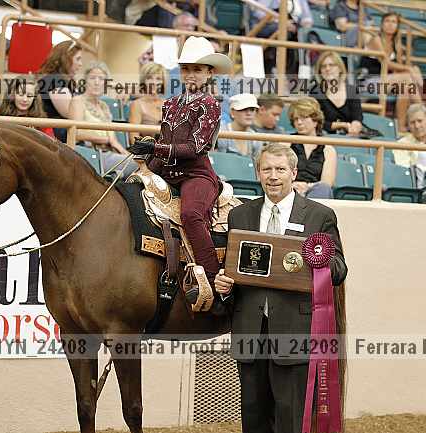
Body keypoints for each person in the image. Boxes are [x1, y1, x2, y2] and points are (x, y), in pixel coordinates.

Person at [215, 142, 348, 433]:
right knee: (253, 417)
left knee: (290, 418)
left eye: (280, 169)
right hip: (250, 331)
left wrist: (316, 260)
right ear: (257, 173)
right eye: (266, 169)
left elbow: (339, 270)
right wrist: (224, 286)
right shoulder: (240, 215)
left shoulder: (319, 215)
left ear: (293, 173)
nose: (273, 176)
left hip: (295, 330)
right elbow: (234, 270)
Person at [127, 36, 232, 305]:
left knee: (191, 214)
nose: (191, 74)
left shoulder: (210, 104)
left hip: (196, 174)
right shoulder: (170, 104)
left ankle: (213, 284)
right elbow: (164, 142)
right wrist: (145, 168)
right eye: (186, 69)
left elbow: (196, 147)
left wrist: (155, 148)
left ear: (209, 73)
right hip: (166, 171)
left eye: (197, 69)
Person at [68, 61, 137, 179]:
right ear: (85, 81)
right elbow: (75, 133)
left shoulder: (104, 106)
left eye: (101, 79)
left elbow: (113, 139)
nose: (96, 82)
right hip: (90, 153)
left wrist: (127, 154)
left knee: (143, 163)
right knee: (140, 166)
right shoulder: (77, 101)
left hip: (109, 152)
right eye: (92, 78)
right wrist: (105, 139)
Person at [359, 12, 423, 131]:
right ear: (382, 24)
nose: (390, 24)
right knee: (407, 77)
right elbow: (387, 63)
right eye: (387, 21)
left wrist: (412, 69)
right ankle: (423, 114)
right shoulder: (376, 40)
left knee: (405, 88)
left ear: (397, 26)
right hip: (369, 81)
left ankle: (400, 127)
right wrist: (410, 69)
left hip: (386, 81)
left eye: (394, 22)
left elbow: (397, 69)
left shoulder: (396, 44)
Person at [288, 97, 336, 198]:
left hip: (315, 191)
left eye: (303, 118)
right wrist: (292, 185)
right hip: (290, 189)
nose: (299, 122)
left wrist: (307, 186)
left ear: (315, 121)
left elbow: (327, 182)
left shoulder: (328, 149)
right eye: (296, 119)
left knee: (323, 188)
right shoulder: (285, 143)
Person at [38, 41, 83, 142]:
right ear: (65, 59)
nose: (81, 64)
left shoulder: (64, 81)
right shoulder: (54, 80)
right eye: (78, 59)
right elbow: (73, 116)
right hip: (56, 138)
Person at [312, 52, 363, 137]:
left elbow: (357, 117)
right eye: (323, 66)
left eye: (331, 65)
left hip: (351, 135)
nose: (327, 69)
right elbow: (315, 121)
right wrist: (342, 125)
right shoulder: (315, 92)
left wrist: (355, 126)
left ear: (340, 68)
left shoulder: (352, 90)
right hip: (325, 136)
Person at [128, 62, 166, 143]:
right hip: (148, 149)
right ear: (143, 81)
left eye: (158, 79)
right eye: (149, 78)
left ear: (163, 82)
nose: (154, 82)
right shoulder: (137, 105)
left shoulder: (168, 104)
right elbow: (133, 139)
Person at [216, 93, 262, 159]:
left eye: (252, 109)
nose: (249, 113)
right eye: (243, 109)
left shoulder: (256, 139)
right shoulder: (220, 133)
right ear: (232, 112)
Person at [395, 103, 426, 168]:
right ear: (408, 125)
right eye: (412, 122)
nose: (417, 126)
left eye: (420, 121)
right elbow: (403, 169)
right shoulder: (402, 144)